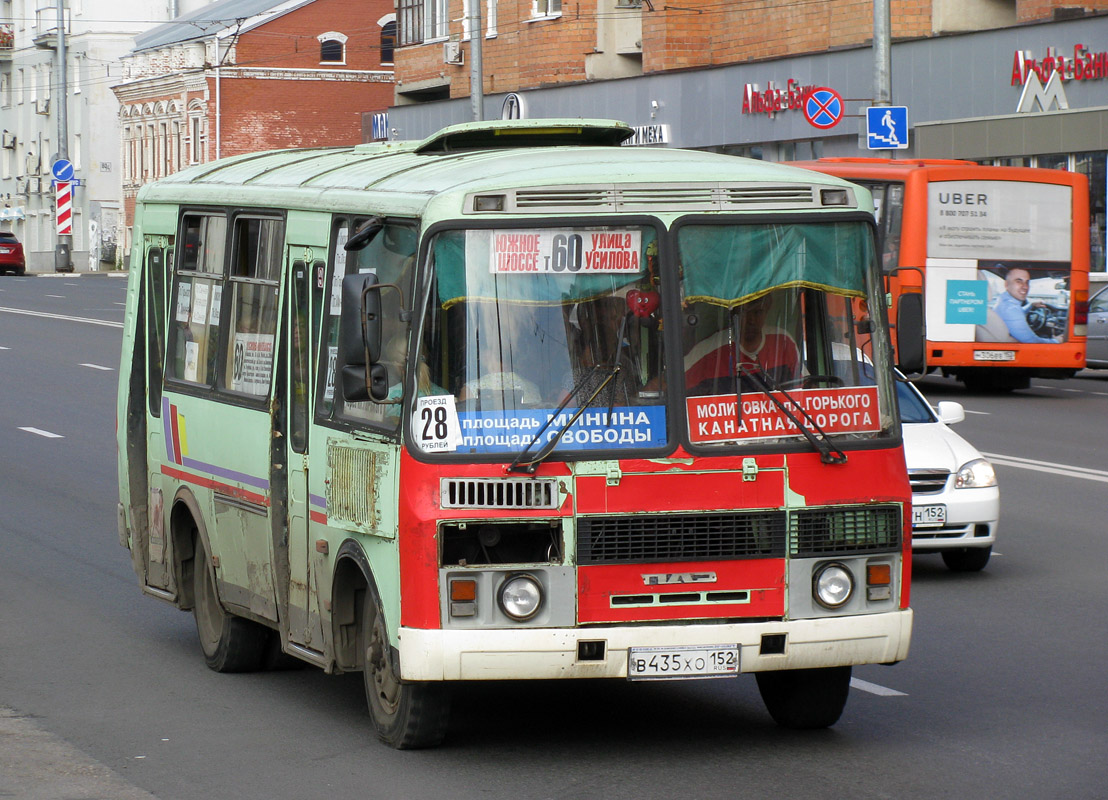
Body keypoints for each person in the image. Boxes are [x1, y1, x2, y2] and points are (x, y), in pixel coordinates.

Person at [684, 292, 800, 395]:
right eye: (745, 312)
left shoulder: (783, 343)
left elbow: (806, 389)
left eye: (757, 312)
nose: (751, 320)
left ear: (766, 311)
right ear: (734, 314)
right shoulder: (708, 352)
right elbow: (670, 385)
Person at [992, 266, 1057, 344]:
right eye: (1019, 281)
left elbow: (1018, 312)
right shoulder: (1010, 309)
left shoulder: (1004, 300)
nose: (1025, 287)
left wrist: (1031, 306)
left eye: (1027, 282)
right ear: (1006, 284)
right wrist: (1057, 340)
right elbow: (1032, 342)